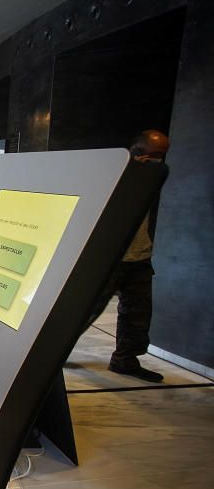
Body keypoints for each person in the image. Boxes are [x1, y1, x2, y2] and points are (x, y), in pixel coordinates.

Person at [87, 129, 170, 382]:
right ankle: (54, 355)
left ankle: (125, 359)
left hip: (140, 257)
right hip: (108, 258)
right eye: (153, 155)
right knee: (84, 313)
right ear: (136, 152)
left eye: (163, 155)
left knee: (137, 314)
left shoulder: (155, 179)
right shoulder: (112, 175)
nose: (158, 160)